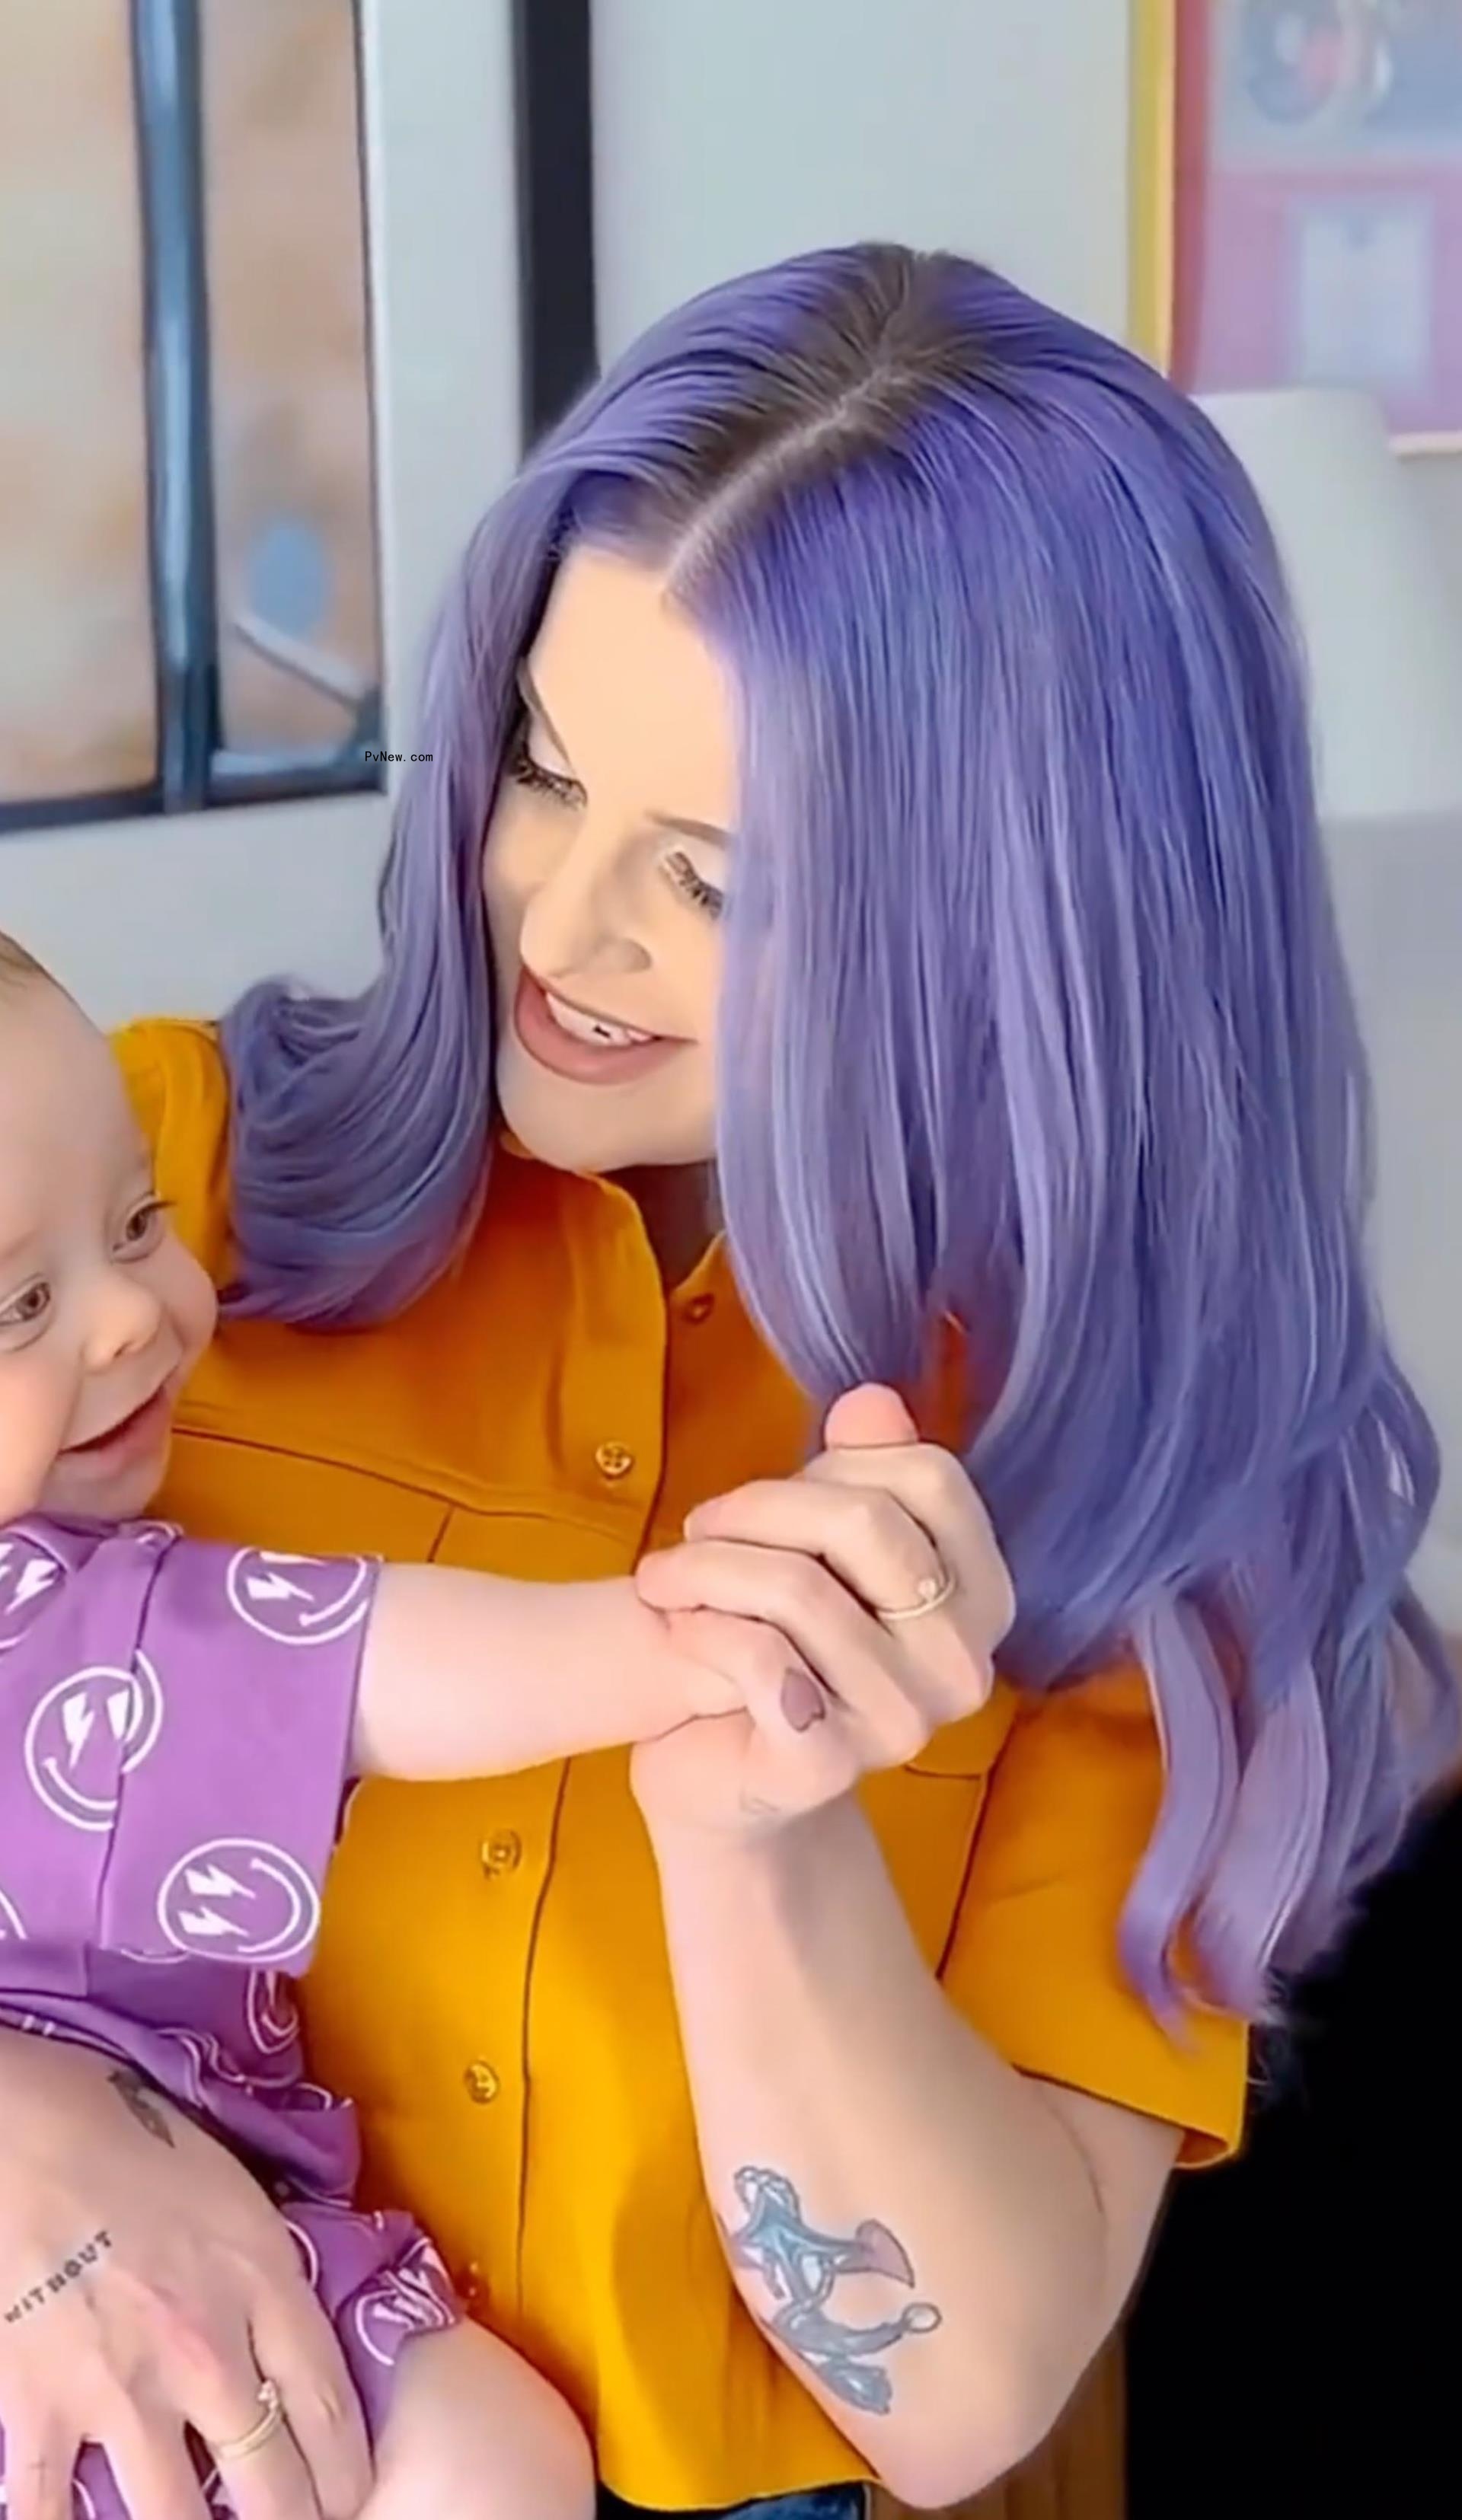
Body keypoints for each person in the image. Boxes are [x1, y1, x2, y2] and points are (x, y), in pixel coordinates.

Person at [0, 241, 1453, 2520]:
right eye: (539, 773)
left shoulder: (1150, 1515)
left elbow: (955, 2391)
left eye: (717, 876)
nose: (558, 929)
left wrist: (759, 1837)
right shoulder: (146, 1209)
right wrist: (31, 2129)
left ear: (1020, 916)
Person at [0, 931, 896, 2519]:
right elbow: (371, 1666)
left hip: (161, 2340)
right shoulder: (48, 1615)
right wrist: (693, 1629)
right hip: (209, 2334)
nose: (134, 1315)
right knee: (498, 2455)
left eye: (139, 1220)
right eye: (18, 1303)